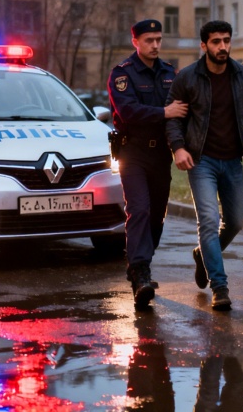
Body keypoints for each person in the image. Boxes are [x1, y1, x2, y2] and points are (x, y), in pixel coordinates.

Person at [165, 20, 243, 311]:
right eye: (216, 42)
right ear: (204, 45)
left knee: (235, 222)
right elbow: (173, 119)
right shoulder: (188, 78)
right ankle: (219, 286)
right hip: (201, 161)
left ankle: (203, 256)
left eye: (226, 40)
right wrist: (178, 147)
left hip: (233, 160)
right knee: (208, 221)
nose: (223, 47)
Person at [107, 18, 187, 310]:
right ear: (136, 42)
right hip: (133, 153)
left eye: (158, 39)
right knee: (139, 209)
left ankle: (141, 263)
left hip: (160, 155)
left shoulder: (169, 73)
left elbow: (181, 111)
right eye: (149, 40)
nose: (155, 45)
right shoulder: (122, 74)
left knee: (156, 216)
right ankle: (140, 273)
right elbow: (128, 111)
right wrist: (164, 111)